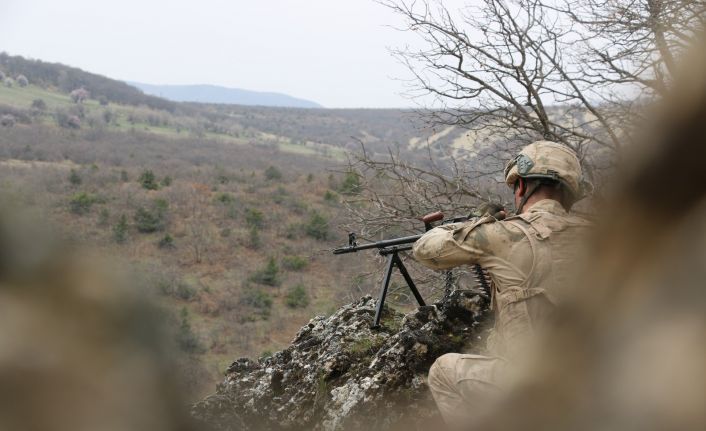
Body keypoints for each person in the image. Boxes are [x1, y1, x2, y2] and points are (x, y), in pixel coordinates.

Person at [412, 140, 592, 426]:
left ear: (520, 186)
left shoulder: (505, 234)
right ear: (571, 194)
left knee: (444, 371)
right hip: (600, 383)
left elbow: (425, 249)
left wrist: (477, 223)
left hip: (542, 388)